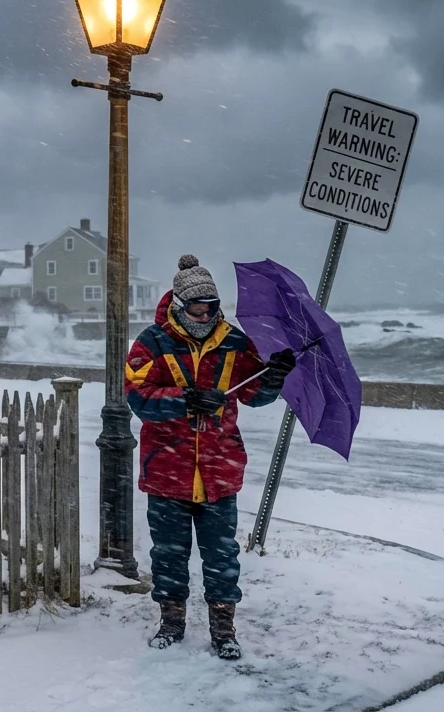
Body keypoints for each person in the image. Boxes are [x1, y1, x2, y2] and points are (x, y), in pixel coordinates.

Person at [124, 254, 295, 660]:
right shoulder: (152, 342)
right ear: (180, 306)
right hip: (166, 470)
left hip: (219, 471)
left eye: (211, 306)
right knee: (169, 552)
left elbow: (254, 396)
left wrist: (273, 377)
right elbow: (137, 396)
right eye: (197, 306)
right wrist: (186, 399)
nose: (205, 313)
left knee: (221, 554)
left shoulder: (235, 342)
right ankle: (171, 621)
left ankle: (223, 628)